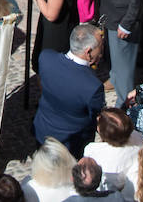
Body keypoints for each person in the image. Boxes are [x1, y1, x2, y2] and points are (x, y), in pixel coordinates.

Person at [34, 22, 105, 156]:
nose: (101, 52)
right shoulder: (93, 87)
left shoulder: (46, 57)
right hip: (71, 144)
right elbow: (94, 117)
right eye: (100, 47)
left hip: (42, 132)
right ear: (88, 52)